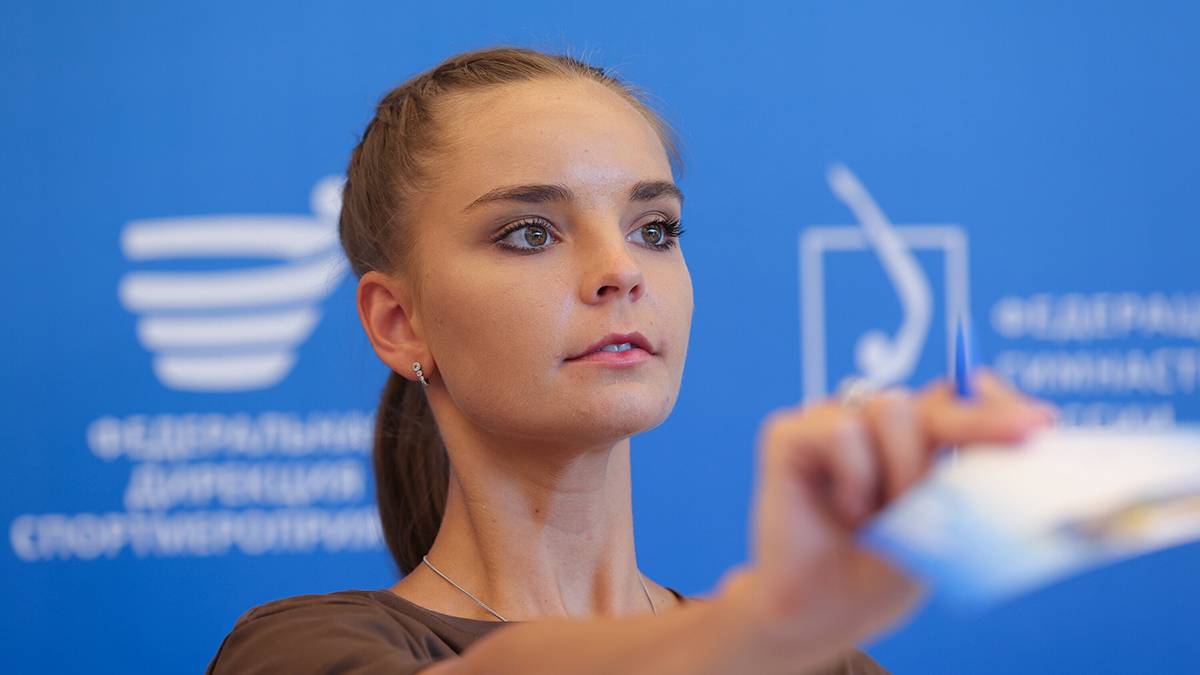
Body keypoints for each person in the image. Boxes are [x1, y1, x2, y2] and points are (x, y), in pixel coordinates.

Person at [206, 45, 1056, 675]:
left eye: (655, 229)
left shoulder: (822, 663)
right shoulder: (299, 651)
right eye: (529, 232)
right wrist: (763, 626)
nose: (621, 269)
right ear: (399, 323)